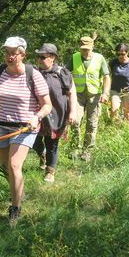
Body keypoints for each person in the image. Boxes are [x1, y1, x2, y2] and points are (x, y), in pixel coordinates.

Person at [0, 37, 52, 226]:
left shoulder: (33, 75)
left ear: (23, 54)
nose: (9, 56)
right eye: (6, 52)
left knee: (14, 165)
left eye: (13, 53)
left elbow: (47, 105)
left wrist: (36, 117)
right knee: (6, 166)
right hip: (0, 125)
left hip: (24, 128)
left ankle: (15, 208)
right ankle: (18, 191)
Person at [31, 43, 77, 183]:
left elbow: (72, 92)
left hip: (56, 114)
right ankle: (42, 153)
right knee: (33, 140)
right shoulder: (33, 72)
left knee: (52, 143)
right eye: (38, 57)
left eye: (43, 57)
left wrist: (73, 112)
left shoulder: (62, 73)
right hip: (36, 113)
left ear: (52, 58)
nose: (39, 60)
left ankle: (50, 171)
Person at [65, 36, 111, 162]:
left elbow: (107, 76)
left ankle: (87, 150)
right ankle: (75, 148)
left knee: (92, 123)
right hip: (77, 96)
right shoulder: (74, 57)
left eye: (87, 49)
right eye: (83, 49)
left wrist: (105, 93)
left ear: (92, 47)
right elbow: (65, 73)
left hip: (94, 96)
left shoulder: (99, 58)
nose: (85, 52)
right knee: (75, 121)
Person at [109, 43, 129, 124]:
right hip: (115, 90)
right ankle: (116, 127)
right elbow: (108, 76)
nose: (120, 56)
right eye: (118, 54)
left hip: (128, 90)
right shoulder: (113, 63)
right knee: (113, 110)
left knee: (127, 111)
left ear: (127, 53)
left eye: (122, 54)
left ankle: (128, 131)